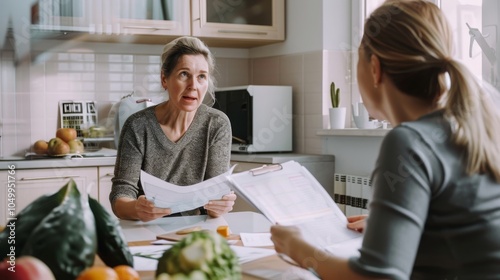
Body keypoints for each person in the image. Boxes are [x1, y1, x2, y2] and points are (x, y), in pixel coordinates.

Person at [270, 1, 500, 279]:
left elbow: (378, 276)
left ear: (375, 68)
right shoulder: (471, 126)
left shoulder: (408, 142)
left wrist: (298, 248)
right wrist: (396, 224)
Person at [110, 36, 236, 222]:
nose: (193, 86)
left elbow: (215, 196)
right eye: (184, 74)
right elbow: (121, 194)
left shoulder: (216, 124)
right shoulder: (138, 126)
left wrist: (220, 206)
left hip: (195, 230)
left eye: (201, 76)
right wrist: (137, 209)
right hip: (146, 227)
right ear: (164, 79)